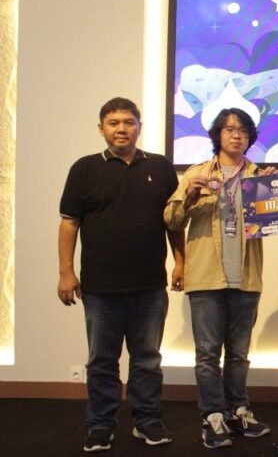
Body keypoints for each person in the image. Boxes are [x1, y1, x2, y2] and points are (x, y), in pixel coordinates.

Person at [58, 97, 183, 452]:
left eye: (128, 122)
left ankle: (147, 421)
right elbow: (69, 224)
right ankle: (100, 425)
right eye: (113, 123)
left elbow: (173, 221)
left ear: (139, 127)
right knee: (101, 361)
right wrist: (66, 273)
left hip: (150, 286)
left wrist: (181, 262)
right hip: (100, 288)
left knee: (147, 360)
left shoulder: (160, 167)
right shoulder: (84, 169)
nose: (121, 129)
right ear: (101, 129)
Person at [164, 108, 275, 448]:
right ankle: (212, 416)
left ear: (250, 137)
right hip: (206, 277)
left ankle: (238, 411)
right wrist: (190, 196)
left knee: (239, 354)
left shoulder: (259, 176)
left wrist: (276, 191)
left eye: (242, 130)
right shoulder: (196, 173)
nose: (236, 135)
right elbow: (171, 220)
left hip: (246, 277)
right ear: (218, 135)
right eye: (229, 129)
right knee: (207, 354)